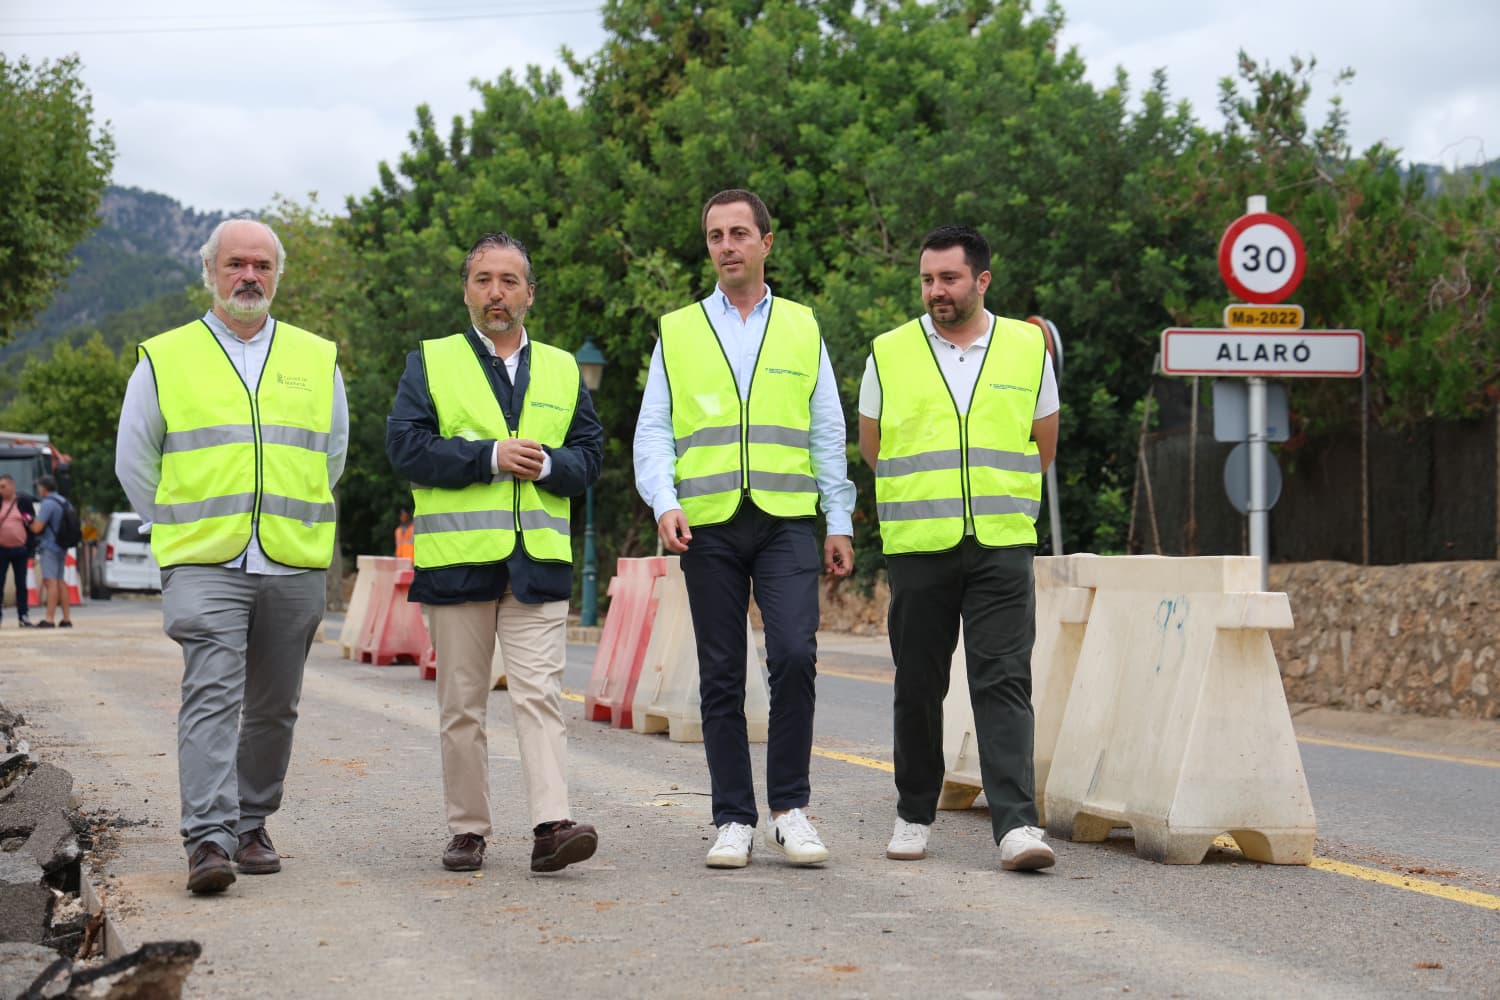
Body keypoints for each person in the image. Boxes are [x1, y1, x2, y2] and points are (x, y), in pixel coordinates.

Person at [115, 218, 348, 894]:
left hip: (292, 560)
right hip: (203, 562)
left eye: (261, 265)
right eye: (236, 264)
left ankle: (250, 822)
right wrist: (179, 528)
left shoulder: (317, 358)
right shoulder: (165, 357)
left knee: (275, 706)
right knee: (212, 695)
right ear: (210, 272)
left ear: (277, 275)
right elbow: (135, 460)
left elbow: (331, 456)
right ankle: (209, 840)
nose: (249, 276)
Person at [633, 189, 855, 869]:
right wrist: (663, 500)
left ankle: (789, 810)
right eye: (715, 236)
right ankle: (734, 818)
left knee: (792, 654)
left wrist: (838, 519)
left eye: (738, 233)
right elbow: (654, 429)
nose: (726, 246)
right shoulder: (678, 330)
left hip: (786, 518)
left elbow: (826, 428)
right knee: (723, 672)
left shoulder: (802, 326)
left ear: (766, 242)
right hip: (707, 524)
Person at [387, 232, 604, 875]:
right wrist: (487, 456)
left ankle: (551, 826)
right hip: (458, 564)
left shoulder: (562, 369)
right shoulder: (430, 362)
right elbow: (405, 447)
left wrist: (550, 465)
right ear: (466, 292)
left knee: (540, 696)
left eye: (509, 281)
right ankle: (468, 830)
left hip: (537, 563)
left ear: (529, 293)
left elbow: (590, 456)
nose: (496, 293)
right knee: (462, 705)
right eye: (483, 280)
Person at [858, 224, 1060, 872]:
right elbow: (873, 446)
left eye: (948, 278)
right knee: (919, 684)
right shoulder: (889, 351)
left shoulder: (1027, 348)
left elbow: (1043, 442)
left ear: (982, 280)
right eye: (927, 279)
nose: (936, 290)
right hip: (920, 543)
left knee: (1004, 681)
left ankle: (1017, 826)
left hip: (1002, 542)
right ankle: (914, 815)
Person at [29, 475, 73, 628]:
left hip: (50, 546)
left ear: (44, 488)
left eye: (39, 487)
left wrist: (28, 521)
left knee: (50, 582)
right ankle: (66, 618)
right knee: (60, 582)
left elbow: (37, 528)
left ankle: (49, 618)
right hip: (62, 546)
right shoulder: (64, 501)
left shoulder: (47, 503)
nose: (38, 490)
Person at [0, 474, 36, 627]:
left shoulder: (24, 502)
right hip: (1, 550)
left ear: (12, 485)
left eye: (3, 486)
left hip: (20, 550)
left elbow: (32, 527)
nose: (1, 490)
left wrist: (31, 552)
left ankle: (23, 615)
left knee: (21, 584)